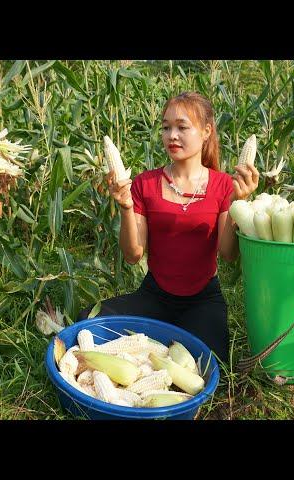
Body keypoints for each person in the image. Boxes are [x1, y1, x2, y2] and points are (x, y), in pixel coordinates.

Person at [76, 91, 259, 364]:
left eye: (182, 127)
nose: (172, 135)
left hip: (203, 298)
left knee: (213, 364)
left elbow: (228, 253)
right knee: (89, 322)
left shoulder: (224, 186)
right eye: (166, 127)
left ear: (206, 131)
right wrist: (126, 206)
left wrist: (238, 204)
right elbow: (133, 254)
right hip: (154, 296)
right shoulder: (144, 184)